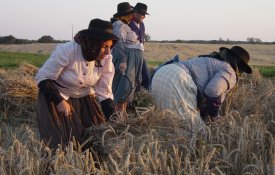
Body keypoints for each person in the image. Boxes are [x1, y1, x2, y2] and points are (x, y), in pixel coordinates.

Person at [35, 18, 118, 149]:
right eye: (104, 46)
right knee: (61, 142)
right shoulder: (68, 51)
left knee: (93, 137)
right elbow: (43, 77)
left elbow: (104, 92)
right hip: (57, 95)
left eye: (110, 46)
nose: (108, 52)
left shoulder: (106, 59)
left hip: (84, 97)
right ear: (93, 43)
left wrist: (114, 118)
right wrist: (58, 100)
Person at [151, 46, 252, 131]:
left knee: (165, 123)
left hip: (162, 74)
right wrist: (214, 116)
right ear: (240, 67)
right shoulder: (230, 72)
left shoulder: (212, 60)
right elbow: (212, 91)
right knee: (193, 130)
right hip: (177, 79)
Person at [111, 2, 144, 113]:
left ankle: (123, 115)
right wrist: (123, 60)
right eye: (130, 14)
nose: (132, 16)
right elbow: (118, 42)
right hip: (128, 59)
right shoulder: (118, 25)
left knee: (127, 88)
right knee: (123, 87)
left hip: (132, 59)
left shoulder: (123, 25)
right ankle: (119, 117)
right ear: (126, 15)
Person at [128, 2, 151, 90]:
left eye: (145, 14)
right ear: (135, 12)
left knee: (146, 77)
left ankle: (143, 99)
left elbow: (142, 40)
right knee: (132, 79)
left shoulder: (142, 25)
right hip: (130, 55)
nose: (144, 16)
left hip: (140, 55)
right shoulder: (128, 24)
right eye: (143, 14)